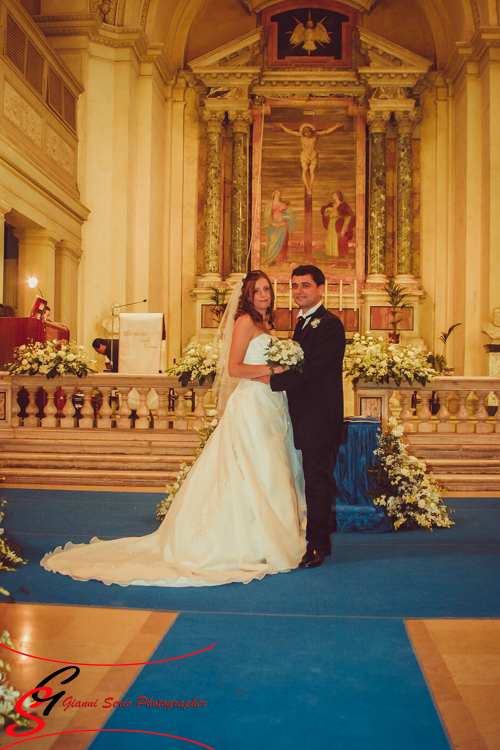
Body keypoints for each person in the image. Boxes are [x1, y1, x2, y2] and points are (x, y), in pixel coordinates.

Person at [41, 271, 306, 587]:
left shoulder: (267, 325)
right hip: (251, 407)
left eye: (267, 289)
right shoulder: (245, 322)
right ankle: (248, 542)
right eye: (257, 290)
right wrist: (273, 369)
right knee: (251, 467)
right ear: (247, 295)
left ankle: (269, 536)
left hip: (273, 405)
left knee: (271, 469)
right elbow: (234, 368)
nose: (263, 294)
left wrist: (281, 371)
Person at [254, 265, 345, 569]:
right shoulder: (303, 322)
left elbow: (312, 370)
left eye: (305, 285)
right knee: (312, 480)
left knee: (316, 481)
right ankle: (318, 537)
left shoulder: (329, 324)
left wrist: (271, 380)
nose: (299, 291)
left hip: (320, 418)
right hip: (303, 416)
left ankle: (317, 546)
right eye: (294, 286)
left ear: (321, 288)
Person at [278, 122, 343, 194]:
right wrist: (282, 126)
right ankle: (307, 187)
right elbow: (290, 132)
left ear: (311, 131)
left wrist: (336, 126)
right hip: (305, 156)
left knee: (312, 172)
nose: (307, 134)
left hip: (313, 155)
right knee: (305, 169)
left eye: (308, 132)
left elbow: (326, 131)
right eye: (306, 133)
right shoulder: (301, 136)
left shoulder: (315, 134)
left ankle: (310, 186)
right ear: (304, 133)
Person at [263, 189, 296, 264]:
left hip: (282, 225)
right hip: (273, 224)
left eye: (279, 194)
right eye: (276, 193)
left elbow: (288, 214)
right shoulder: (269, 204)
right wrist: (272, 223)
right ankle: (270, 260)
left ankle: (280, 260)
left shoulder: (283, 204)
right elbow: (267, 215)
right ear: (273, 194)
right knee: (272, 242)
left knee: (282, 242)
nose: (278, 195)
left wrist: (283, 222)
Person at [321, 191, 355, 260]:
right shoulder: (332, 205)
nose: (332, 196)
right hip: (331, 225)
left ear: (338, 196)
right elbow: (326, 215)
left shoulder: (343, 205)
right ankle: (335, 263)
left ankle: (349, 264)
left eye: (334, 194)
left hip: (338, 225)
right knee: (333, 243)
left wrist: (344, 229)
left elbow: (348, 217)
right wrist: (327, 209)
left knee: (340, 244)